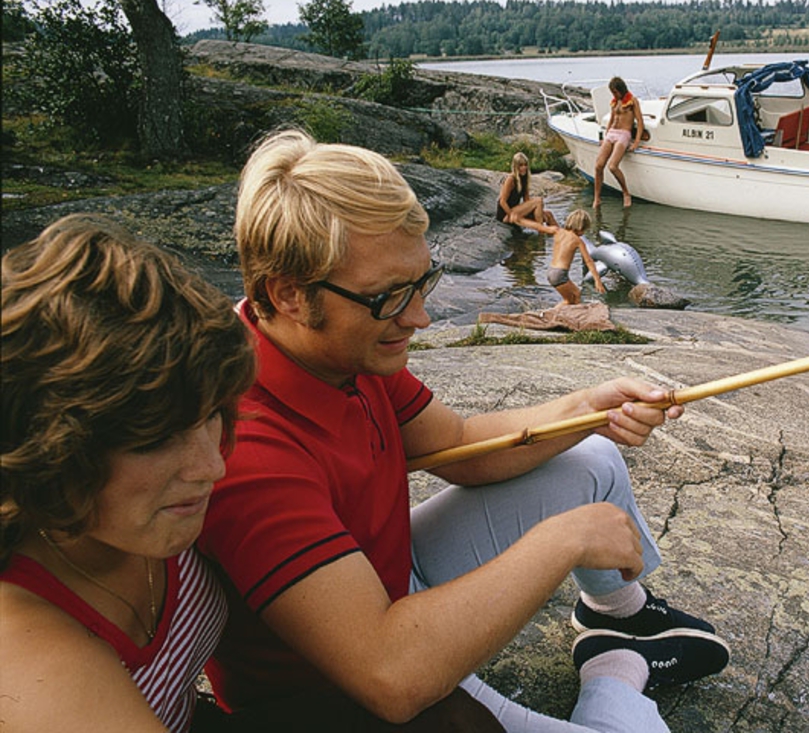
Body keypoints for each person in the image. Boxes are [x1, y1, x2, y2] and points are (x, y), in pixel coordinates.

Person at [198, 128, 730, 732]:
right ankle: (615, 667)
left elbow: (456, 445)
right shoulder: (246, 448)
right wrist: (563, 541)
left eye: (423, 282)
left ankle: (618, 617)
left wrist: (589, 406)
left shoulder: (335, 352)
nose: (420, 318)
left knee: (592, 455)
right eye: (391, 297)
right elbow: (390, 676)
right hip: (350, 681)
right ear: (289, 295)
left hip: (393, 583)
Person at [0, 215, 256, 732]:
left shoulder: (142, 513)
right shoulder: (26, 653)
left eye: (210, 416)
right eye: (156, 438)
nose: (213, 466)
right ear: (50, 448)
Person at [592, 76, 644, 209]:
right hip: (612, 133)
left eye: (615, 92)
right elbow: (611, 119)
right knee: (598, 165)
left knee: (612, 166)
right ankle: (597, 198)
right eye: (612, 92)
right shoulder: (615, 102)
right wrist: (606, 135)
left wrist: (636, 142)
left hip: (624, 134)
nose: (613, 94)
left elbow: (640, 122)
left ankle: (626, 193)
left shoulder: (633, 101)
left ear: (621, 89)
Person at [547, 209, 605, 306]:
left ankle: (563, 315)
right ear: (581, 228)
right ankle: (571, 317)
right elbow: (589, 261)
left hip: (551, 271)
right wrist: (597, 280)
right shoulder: (577, 240)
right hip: (560, 273)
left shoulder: (559, 233)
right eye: (585, 230)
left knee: (570, 299)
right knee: (575, 295)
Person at [497, 152, 559, 234]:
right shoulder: (511, 179)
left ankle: (563, 236)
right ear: (516, 166)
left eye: (525, 165)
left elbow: (527, 201)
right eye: (521, 165)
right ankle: (541, 232)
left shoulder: (524, 178)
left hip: (517, 211)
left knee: (548, 215)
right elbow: (502, 201)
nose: (524, 167)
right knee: (538, 200)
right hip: (506, 215)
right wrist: (511, 214)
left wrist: (539, 214)